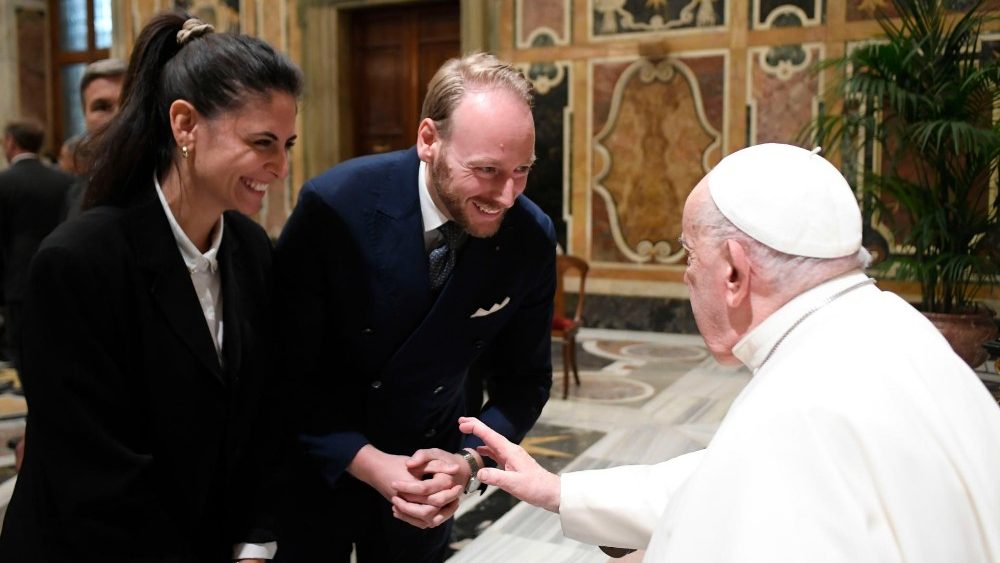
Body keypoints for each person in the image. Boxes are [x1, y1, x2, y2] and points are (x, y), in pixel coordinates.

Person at [447, 143, 1000, 561]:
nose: (688, 277)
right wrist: (560, 491)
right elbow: (722, 481)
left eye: (691, 256)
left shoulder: (796, 406)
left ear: (734, 271)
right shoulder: (889, 324)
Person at [0, 12, 301, 562]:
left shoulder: (252, 250)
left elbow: (265, 416)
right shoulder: (78, 262)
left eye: (287, 143)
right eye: (262, 142)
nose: (280, 166)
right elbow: (94, 475)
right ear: (184, 124)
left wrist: (255, 544)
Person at [274, 52, 556, 562]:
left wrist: (467, 462)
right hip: (322, 462)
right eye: (487, 171)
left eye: (522, 171)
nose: (508, 196)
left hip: (429, 471)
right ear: (429, 139)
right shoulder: (335, 206)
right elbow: (285, 370)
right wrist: (367, 462)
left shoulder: (529, 237)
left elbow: (525, 381)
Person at [0, 119, 74, 366]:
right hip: (61, 275)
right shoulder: (65, 182)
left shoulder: (4, 182)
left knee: (21, 351)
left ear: (10, 142)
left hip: (17, 279)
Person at [65, 58, 126, 220]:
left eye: (127, 104)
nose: (118, 116)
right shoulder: (75, 192)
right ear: (85, 115)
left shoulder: (167, 188)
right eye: (102, 107)